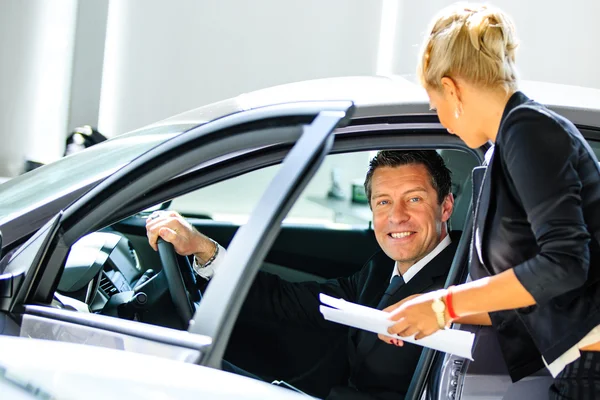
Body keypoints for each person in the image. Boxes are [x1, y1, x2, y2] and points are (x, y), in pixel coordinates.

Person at [379, 3, 600, 399]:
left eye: (436, 107)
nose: (442, 121)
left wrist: (444, 305)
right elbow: (535, 295)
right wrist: (431, 312)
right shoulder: (507, 145)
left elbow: (565, 264)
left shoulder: (529, 130)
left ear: (451, 88)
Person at [146, 150, 457, 400]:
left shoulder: (461, 287)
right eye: (383, 202)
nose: (397, 216)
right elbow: (293, 301)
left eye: (414, 199)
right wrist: (204, 249)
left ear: (445, 207)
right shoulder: (379, 270)